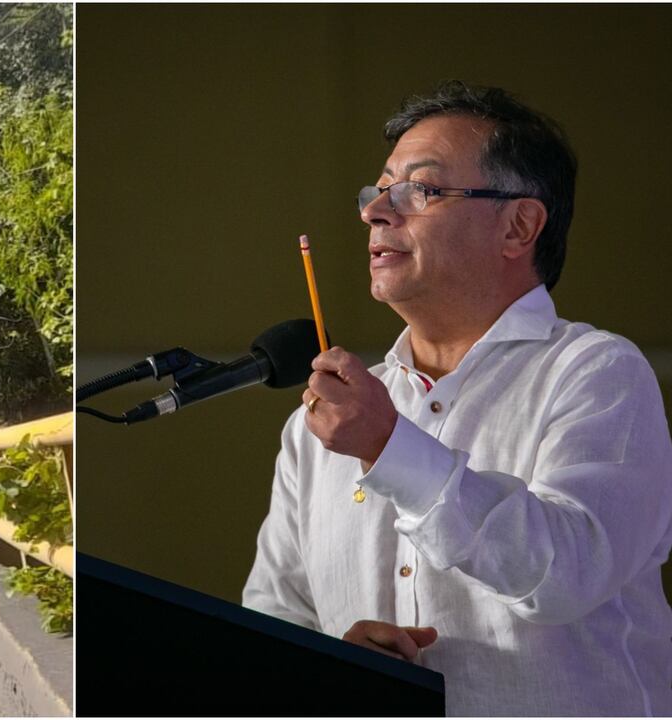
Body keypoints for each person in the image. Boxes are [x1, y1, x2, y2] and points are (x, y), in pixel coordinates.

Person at [243, 81, 672, 716]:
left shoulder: (596, 372)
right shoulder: (325, 420)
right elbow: (274, 619)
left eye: (420, 189)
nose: (376, 212)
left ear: (519, 225)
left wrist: (390, 448)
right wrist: (336, 663)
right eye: (379, 189)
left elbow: (566, 574)